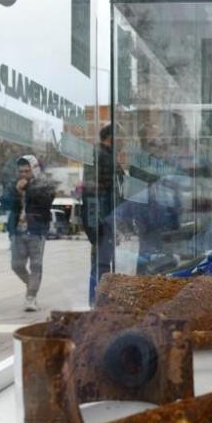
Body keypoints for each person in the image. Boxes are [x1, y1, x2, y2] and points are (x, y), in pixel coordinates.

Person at [5, 154, 55, 311]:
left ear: (35, 170)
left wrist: (27, 189)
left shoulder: (44, 184)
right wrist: (16, 191)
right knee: (16, 265)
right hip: (18, 230)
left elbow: (45, 202)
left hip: (36, 230)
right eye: (21, 171)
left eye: (27, 171)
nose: (23, 174)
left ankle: (31, 297)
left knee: (36, 265)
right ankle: (31, 285)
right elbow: (5, 202)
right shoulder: (14, 184)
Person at [82, 123, 115, 306]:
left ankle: (99, 302)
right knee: (100, 264)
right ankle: (95, 303)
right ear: (110, 137)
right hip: (102, 220)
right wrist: (96, 225)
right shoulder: (99, 154)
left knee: (103, 263)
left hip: (106, 218)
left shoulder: (107, 155)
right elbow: (91, 192)